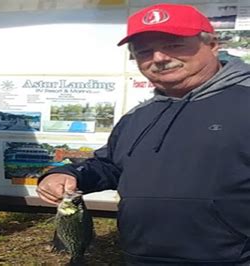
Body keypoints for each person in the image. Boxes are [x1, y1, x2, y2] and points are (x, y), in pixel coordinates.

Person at [37, 3, 250, 265]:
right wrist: (66, 173)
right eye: (144, 51)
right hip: (139, 257)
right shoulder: (137, 117)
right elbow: (110, 166)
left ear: (213, 44)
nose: (159, 58)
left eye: (173, 44)